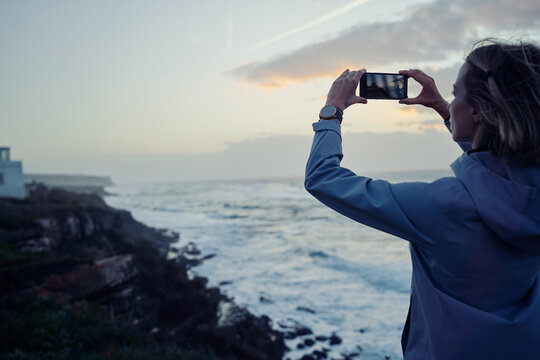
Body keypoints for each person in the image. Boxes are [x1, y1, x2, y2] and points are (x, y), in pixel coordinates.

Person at [304, 39, 540, 359]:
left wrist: (331, 112)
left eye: (456, 94)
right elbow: (503, 179)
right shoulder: (528, 198)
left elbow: (323, 179)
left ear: (478, 111)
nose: (450, 100)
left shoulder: (444, 206)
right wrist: (445, 109)